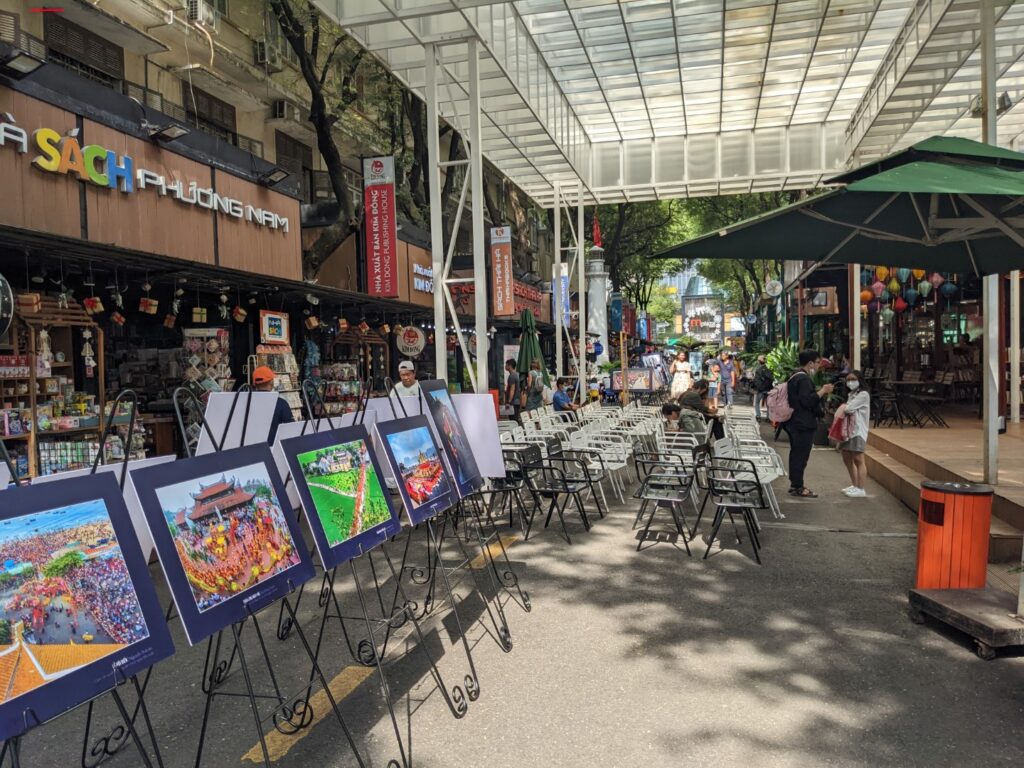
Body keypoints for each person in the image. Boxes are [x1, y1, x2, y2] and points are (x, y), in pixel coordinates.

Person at [785, 349, 834, 499]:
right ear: (811, 363)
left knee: (796, 454)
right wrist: (823, 391)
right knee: (801, 455)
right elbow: (807, 401)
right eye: (818, 362)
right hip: (803, 423)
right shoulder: (804, 379)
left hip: (794, 421)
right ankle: (798, 486)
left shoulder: (795, 376)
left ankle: (795, 484)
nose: (819, 366)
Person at [838, 370, 871, 497]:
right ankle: (855, 484)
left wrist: (843, 408)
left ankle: (861, 488)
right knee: (846, 457)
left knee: (858, 459)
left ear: (860, 380)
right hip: (848, 431)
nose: (850, 382)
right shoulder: (852, 394)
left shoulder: (863, 394)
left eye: (853, 379)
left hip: (858, 431)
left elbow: (848, 409)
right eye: (848, 380)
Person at [253, 365, 294, 443]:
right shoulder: (281, 403)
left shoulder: (247, 403)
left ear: (255, 384)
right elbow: (291, 429)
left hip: (251, 448)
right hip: (273, 448)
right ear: (271, 383)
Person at [752, 354, 773, 421]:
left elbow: (756, 380)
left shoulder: (758, 370)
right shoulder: (769, 369)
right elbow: (771, 379)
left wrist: (758, 388)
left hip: (761, 390)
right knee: (768, 404)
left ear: (759, 361)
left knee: (757, 403)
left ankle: (758, 416)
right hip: (768, 389)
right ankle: (768, 417)